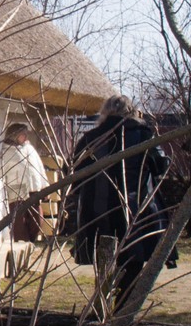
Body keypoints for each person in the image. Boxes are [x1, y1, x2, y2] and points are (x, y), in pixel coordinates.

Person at [65, 96, 168, 303]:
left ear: (105, 112)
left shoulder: (91, 138)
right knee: (133, 262)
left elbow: (72, 173)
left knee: (105, 266)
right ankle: (122, 312)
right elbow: (162, 166)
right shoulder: (144, 135)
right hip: (137, 210)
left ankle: (105, 311)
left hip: (97, 212)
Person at [0, 121, 50, 246]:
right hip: (17, 193)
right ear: (14, 135)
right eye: (22, 134)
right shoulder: (7, 152)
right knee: (19, 224)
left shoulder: (30, 149)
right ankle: (21, 247)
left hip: (34, 190)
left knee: (37, 221)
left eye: (25, 134)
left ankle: (30, 243)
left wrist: (45, 187)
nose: (25, 137)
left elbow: (40, 168)